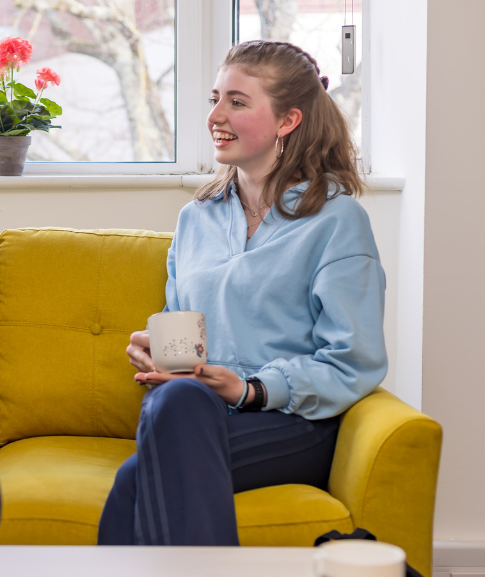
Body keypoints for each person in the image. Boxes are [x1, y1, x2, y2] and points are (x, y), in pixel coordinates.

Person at [97, 40, 387, 546]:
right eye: (215, 98)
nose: (215, 115)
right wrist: (156, 347)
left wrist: (252, 389)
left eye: (236, 101)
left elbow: (352, 361)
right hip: (192, 409)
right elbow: (179, 320)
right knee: (179, 398)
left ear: (287, 120)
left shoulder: (338, 221)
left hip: (292, 421)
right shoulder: (196, 218)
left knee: (134, 477)